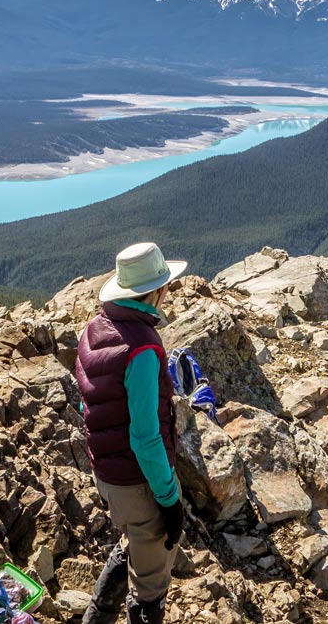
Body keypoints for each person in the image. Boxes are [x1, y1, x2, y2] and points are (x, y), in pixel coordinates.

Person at [75, 242, 188, 624]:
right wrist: (170, 500)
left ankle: (97, 619)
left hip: (106, 473)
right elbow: (145, 437)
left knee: (132, 542)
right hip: (137, 481)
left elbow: (89, 402)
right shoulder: (140, 348)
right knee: (150, 587)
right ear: (156, 291)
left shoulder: (95, 329)